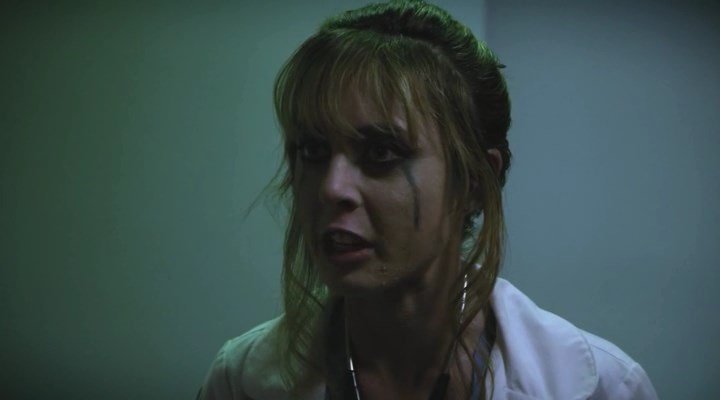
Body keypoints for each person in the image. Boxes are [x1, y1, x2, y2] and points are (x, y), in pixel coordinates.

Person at [198, 1, 658, 399]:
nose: (331, 188)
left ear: (474, 182)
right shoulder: (238, 382)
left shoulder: (604, 387)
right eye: (313, 151)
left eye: (381, 153)